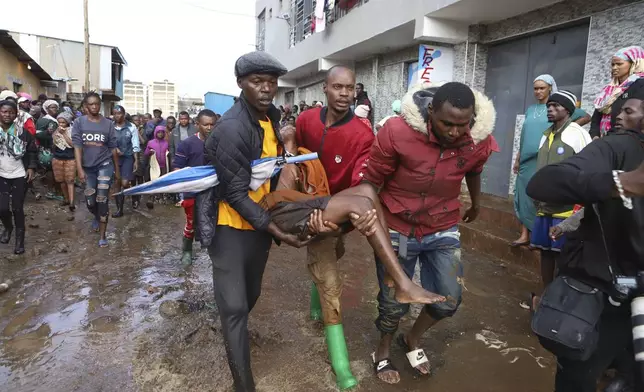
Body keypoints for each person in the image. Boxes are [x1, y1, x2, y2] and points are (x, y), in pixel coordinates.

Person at [362, 82, 498, 384]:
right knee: (394, 300)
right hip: (397, 225)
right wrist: (370, 220)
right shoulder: (396, 132)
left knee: (449, 299)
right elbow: (371, 181)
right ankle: (382, 350)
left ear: (473, 119)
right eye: (446, 123)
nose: (453, 132)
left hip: (442, 225)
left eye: (462, 125)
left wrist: (475, 203)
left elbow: (474, 171)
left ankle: (412, 338)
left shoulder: (478, 140)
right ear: (430, 112)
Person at [526, 89, 644, 392]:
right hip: (605, 297)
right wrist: (621, 182)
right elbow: (543, 182)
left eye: (629, 111)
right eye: (621, 109)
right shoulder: (619, 147)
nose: (618, 116)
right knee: (578, 376)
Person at [295, 65, 375, 390]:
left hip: (339, 217)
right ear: (324, 89)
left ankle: (315, 310)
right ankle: (341, 365)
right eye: (338, 87)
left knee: (333, 254)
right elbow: (295, 160)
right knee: (330, 278)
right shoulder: (305, 122)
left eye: (350, 88)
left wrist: (341, 215)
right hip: (309, 212)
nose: (344, 94)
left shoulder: (363, 134)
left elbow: (360, 185)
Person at [529, 90, 592, 309]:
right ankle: (547, 293)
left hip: (567, 208)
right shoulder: (546, 134)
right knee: (546, 252)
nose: (550, 109)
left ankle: (561, 299)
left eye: (556, 106)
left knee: (564, 255)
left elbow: (588, 168)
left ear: (568, 110)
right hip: (545, 206)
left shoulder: (577, 134)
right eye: (549, 106)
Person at [512, 75, 591, 246]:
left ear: (550, 88)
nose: (538, 91)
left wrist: (568, 128)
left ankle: (536, 234)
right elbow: (524, 135)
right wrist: (518, 157)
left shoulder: (566, 116)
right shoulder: (531, 110)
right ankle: (526, 233)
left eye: (542, 88)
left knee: (544, 192)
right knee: (525, 194)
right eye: (535, 88)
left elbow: (586, 116)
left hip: (547, 161)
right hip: (529, 159)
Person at [72, 92, 120, 248]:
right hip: (88, 168)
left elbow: (113, 148)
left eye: (97, 104)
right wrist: (79, 169)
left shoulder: (108, 124)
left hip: (105, 165)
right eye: (91, 104)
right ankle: (96, 215)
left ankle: (102, 235)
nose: (94, 106)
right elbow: (77, 147)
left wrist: (117, 171)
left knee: (102, 198)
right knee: (90, 201)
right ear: (86, 106)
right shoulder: (79, 123)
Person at [173, 109, 216, 265]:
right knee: (192, 223)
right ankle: (186, 251)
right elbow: (177, 168)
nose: (209, 128)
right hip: (192, 192)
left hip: (214, 192)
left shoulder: (220, 143)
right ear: (197, 124)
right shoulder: (187, 144)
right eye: (206, 125)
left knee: (216, 222)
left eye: (213, 124)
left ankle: (216, 253)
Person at [0, 100, 37, 254]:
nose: (7, 114)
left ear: (16, 114)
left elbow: (32, 151)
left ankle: (19, 242)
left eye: (11, 112)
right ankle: (8, 227)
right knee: (2, 208)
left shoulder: (22, 133)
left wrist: (31, 167)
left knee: (17, 208)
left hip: (19, 174)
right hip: (1, 174)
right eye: (4, 111)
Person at [591, 46, 644, 139]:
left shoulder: (640, 85)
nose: (614, 68)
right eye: (612, 64)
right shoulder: (608, 90)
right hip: (603, 140)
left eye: (619, 64)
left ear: (634, 64)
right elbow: (596, 115)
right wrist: (594, 135)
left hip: (625, 140)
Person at [111, 105, 140, 217]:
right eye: (115, 113)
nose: (117, 116)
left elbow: (135, 145)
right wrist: (114, 149)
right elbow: (108, 141)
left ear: (123, 114)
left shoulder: (131, 127)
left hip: (128, 157)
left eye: (119, 113)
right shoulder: (111, 127)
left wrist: (136, 161)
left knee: (124, 183)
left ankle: (133, 194)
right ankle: (119, 209)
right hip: (114, 158)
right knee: (117, 183)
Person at [52, 111, 77, 216]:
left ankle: (71, 202)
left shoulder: (73, 131)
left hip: (70, 158)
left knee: (70, 181)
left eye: (63, 122)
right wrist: (55, 134)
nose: (61, 124)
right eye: (59, 122)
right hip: (57, 158)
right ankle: (66, 199)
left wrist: (64, 134)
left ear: (68, 122)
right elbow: (54, 142)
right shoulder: (56, 130)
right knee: (61, 181)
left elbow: (73, 145)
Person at [144, 126, 169, 209]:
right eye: (159, 132)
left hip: (163, 166)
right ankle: (152, 198)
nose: (160, 134)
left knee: (162, 182)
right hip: (154, 166)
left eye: (162, 132)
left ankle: (161, 197)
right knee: (154, 181)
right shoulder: (151, 143)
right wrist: (150, 152)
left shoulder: (166, 142)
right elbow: (146, 153)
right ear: (155, 133)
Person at [131, 114, 147, 209]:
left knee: (140, 178)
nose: (136, 122)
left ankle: (139, 196)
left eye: (138, 120)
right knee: (132, 179)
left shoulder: (143, 130)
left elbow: (143, 142)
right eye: (134, 121)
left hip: (141, 157)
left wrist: (136, 132)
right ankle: (134, 199)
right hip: (131, 157)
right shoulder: (128, 130)